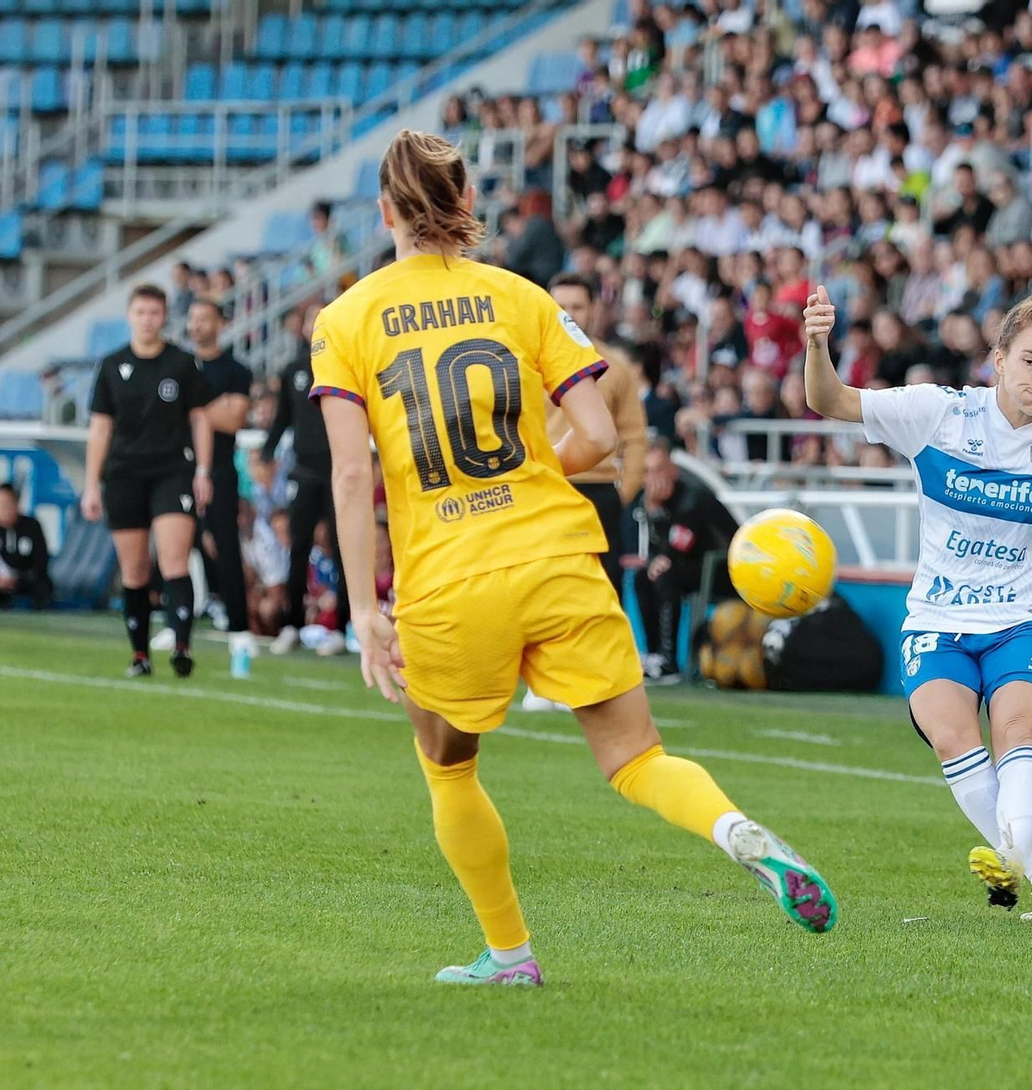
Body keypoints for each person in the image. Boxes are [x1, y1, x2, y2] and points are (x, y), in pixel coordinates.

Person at [312, 130, 836, 986]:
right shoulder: (522, 297)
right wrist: (522, 473)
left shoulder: (345, 319)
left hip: (449, 577)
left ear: (385, 213)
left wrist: (367, 613)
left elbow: (347, 469)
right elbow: (597, 435)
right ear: (466, 206)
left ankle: (511, 954)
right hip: (558, 553)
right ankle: (735, 830)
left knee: (448, 766)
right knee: (636, 757)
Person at [802, 287, 1032, 922]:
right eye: (1029, 361)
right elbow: (828, 400)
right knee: (951, 737)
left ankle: (1013, 855)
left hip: (1020, 620)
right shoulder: (937, 413)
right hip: (937, 618)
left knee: (1018, 733)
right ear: (998, 360)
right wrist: (816, 341)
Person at [81, 283, 215, 678]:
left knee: (174, 559)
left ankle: (181, 644)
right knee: (135, 570)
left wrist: (203, 471)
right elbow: (100, 428)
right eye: (141, 313)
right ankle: (139, 654)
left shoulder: (181, 363)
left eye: (155, 313)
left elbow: (200, 418)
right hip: (124, 474)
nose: (148, 321)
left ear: (164, 318)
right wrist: (92, 484)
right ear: (130, 316)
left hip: (172, 470)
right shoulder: (111, 365)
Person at [545, 273, 647, 591]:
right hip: (547, 487)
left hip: (600, 491)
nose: (569, 314)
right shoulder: (527, 363)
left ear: (593, 309)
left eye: (578, 306)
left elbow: (635, 437)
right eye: (560, 306)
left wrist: (623, 494)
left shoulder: (616, 367)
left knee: (602, 591)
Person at [265, 302, 352, 657]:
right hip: (303, 470)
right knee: (297, 547)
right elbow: (282, 417)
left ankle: (344, 629)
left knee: (343, 547)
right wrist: (267, 451)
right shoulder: (293, 370)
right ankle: (292, 624)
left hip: (340, 471)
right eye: (309, 319)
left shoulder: (349, 367)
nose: (314, 325)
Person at [184, 298, 257, 668]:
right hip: (177, 466)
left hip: (221, 469)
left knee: (226, 545)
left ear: (220, 324)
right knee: (176, 545)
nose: (197, 325)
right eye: (193, 319)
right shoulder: (178, 366)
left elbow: (232, 420)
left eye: (204, 319)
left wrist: (190, 407)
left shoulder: (235, 370)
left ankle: (240, 627)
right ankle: (179, 618)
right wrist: (210, 409)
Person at [634, 436, 740, 682]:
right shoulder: (652, 502)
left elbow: (678, 545)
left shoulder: (693, 496)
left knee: (665, 576)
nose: (653, 478)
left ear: (673, 468)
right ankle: (653, 655)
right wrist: (652, 512)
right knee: (642, 577)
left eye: (658, 469)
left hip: (723, 570)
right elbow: (654, 551)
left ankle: (669, 661)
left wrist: (660, 555)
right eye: (647, 472)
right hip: (692, 568)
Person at [0, 482, 51, 608]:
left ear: (16, 504)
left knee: (44, 586)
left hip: (24, 581)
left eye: (6, 505)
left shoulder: (32, 526)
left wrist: (20, 578)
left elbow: (41, 561)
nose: (2, 510)